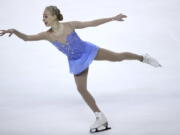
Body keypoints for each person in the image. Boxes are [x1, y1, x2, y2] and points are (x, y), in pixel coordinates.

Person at [0, 5, 162, 133]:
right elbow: (28, 38)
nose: (43, 19)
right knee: (81, 89)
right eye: (42, 17)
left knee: (118, 57)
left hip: (88, 51)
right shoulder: (46, 35)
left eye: (45, 16)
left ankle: (143, 58)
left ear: (55, 16)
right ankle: (100, 116)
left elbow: (91, 23)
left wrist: (112, 18)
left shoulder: (70, 25)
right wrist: (14, 31)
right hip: (76, 61)